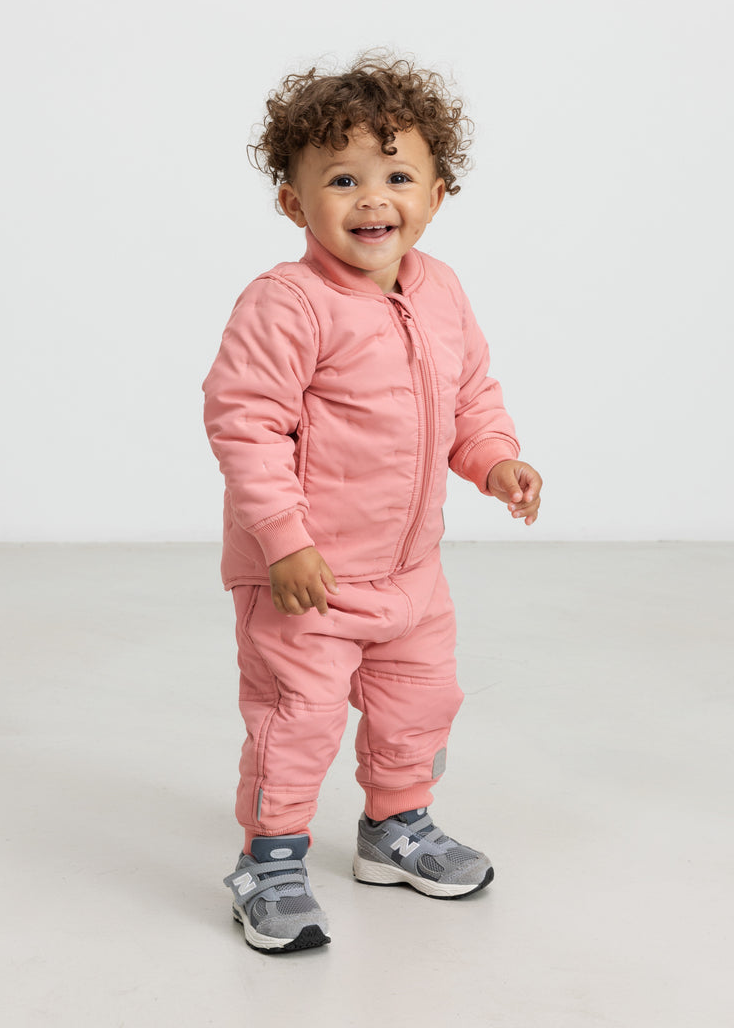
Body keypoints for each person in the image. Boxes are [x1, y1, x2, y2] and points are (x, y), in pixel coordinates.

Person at [202, 53, 542, 953]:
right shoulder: (288, 304)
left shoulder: (442, 291)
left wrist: (497, 461)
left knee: (420, 702)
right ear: (294, 202)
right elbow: (245, 425)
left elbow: (470, 397)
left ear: (436, 194)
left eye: (396, 177)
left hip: (411, 574)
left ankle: (396, 826)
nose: (371, 200)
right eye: (342, 180)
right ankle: (270, 859)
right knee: (298, 718)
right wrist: (284, 539)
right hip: (305, 576)